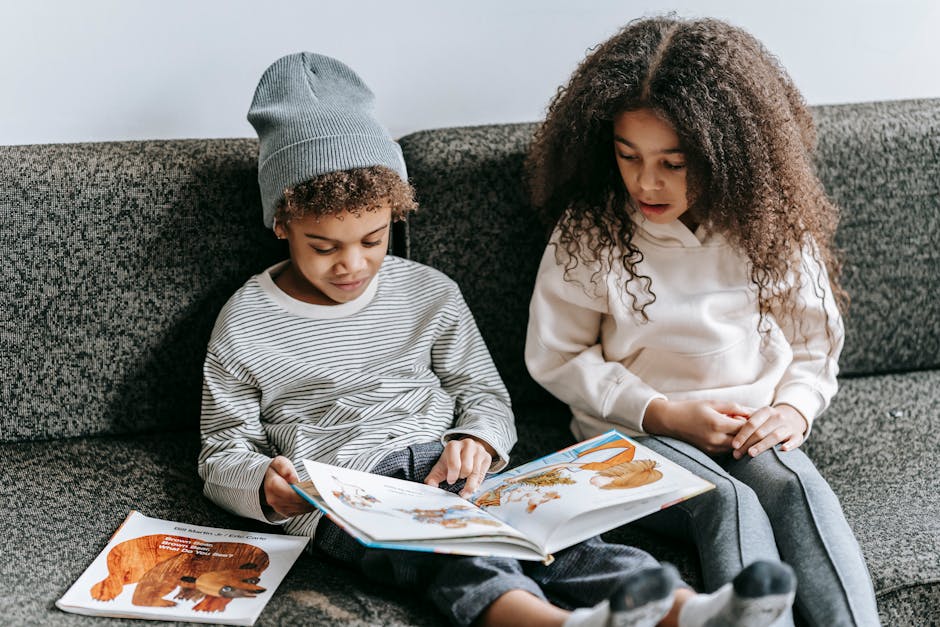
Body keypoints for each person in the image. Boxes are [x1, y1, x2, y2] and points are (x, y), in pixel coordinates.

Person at [198, 51, 796, 627]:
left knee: (566, 536)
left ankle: (681, 611)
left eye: (374, 240)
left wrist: (476, 438)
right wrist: (268, 491)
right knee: (456, 551)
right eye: (323, 247)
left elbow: (483, 393)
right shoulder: (246, 322)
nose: (352, 265)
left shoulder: (428, 293)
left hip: (458, 472)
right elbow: (222, 451)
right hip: (350, 496)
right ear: (281, 224)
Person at [524, 15, 880, 627]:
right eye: (628, 156)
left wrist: (792, 408)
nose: (646, 182)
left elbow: (814, 344)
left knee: (796, 489)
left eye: (674, 162)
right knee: (729, 502)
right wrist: (662, 412)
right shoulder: (591, 232)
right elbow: (557, 355)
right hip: (631, 437)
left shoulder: (769, 226)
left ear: (728, 155)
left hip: (748, 426)